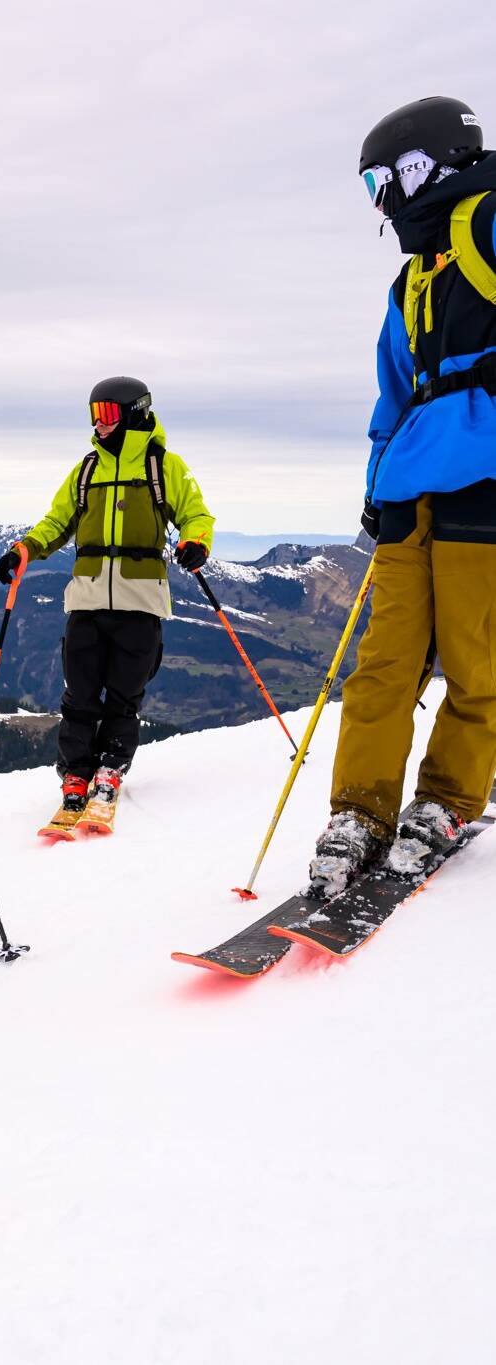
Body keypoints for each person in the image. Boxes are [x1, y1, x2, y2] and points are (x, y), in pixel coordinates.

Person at [309, 96, 496, 893]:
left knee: (475, 662)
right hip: (409, 497)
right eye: (372, 186)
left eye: (398, 176)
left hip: (484, 488)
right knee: (383, 663)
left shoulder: (487, 226)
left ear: (443, 166)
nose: (387, 200)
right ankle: (360, 808)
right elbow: (394, 393)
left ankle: (448, 798)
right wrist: (374, 487)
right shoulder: (410, 279)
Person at [0, 377, 214, 813]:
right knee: (79, 692)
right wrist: (24, 551)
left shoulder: (164, 467)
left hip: (140, 601)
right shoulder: (87, 469)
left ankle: (111, 767)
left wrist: (196, 542)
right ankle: (76, 772)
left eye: (108, 414)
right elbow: (56, 522)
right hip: (87, 599)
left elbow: (195, 513)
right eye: (94, 414)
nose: (99, 424)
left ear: (135, 412)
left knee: (123, 695)